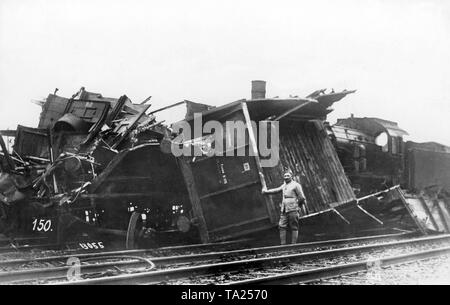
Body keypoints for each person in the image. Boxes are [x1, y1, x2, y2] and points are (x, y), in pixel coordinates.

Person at [262, 171, 306, 245]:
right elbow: (276, 190)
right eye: (285, 176)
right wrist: (266, 191)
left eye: (288, 176)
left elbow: (302, 198)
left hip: (293, 209)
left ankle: (293, 245)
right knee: (281, 226)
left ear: (291, 176)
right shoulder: (284, 185)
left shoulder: (296, 185)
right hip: (284, 210)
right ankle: (283, 245)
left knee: (294, 226)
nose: (286, 177)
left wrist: (297, 206)